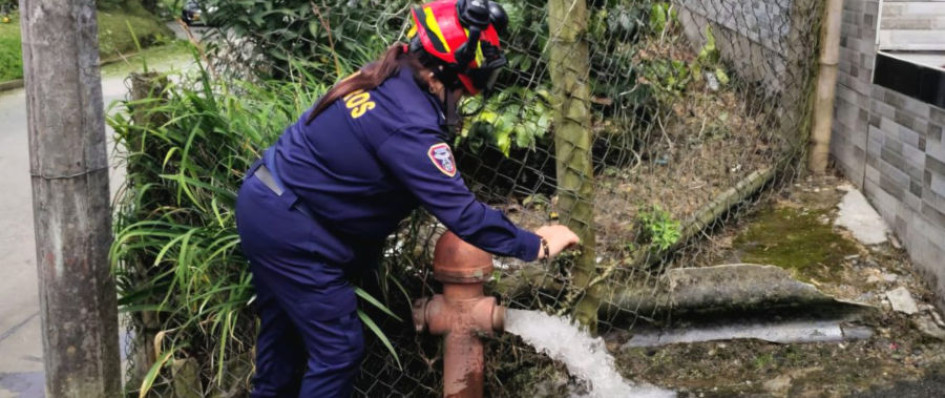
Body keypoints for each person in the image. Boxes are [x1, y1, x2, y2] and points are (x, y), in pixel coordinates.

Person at [235, 0, 580, 396]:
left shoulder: (392, 71)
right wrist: (535, 244)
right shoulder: (410, 126)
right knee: (338, 350)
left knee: (284, 344)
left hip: (269, 202)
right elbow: (463, 214)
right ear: (458, 70)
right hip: (294, 229)